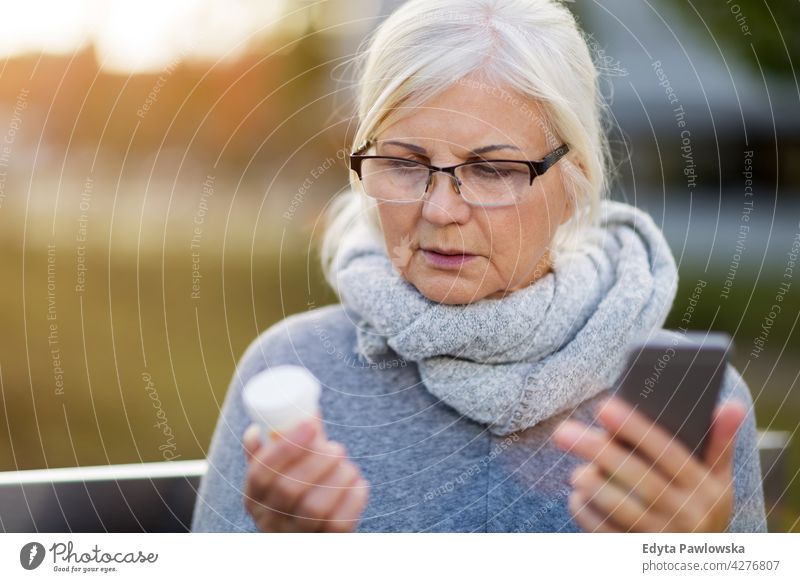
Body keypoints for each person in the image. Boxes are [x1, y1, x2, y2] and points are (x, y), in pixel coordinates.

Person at [191, 0, 767, 533]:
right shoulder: (292, 372)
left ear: (575, 182)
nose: (441, 210)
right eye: (402, 162)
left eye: (493, 170)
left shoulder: (689, 409)